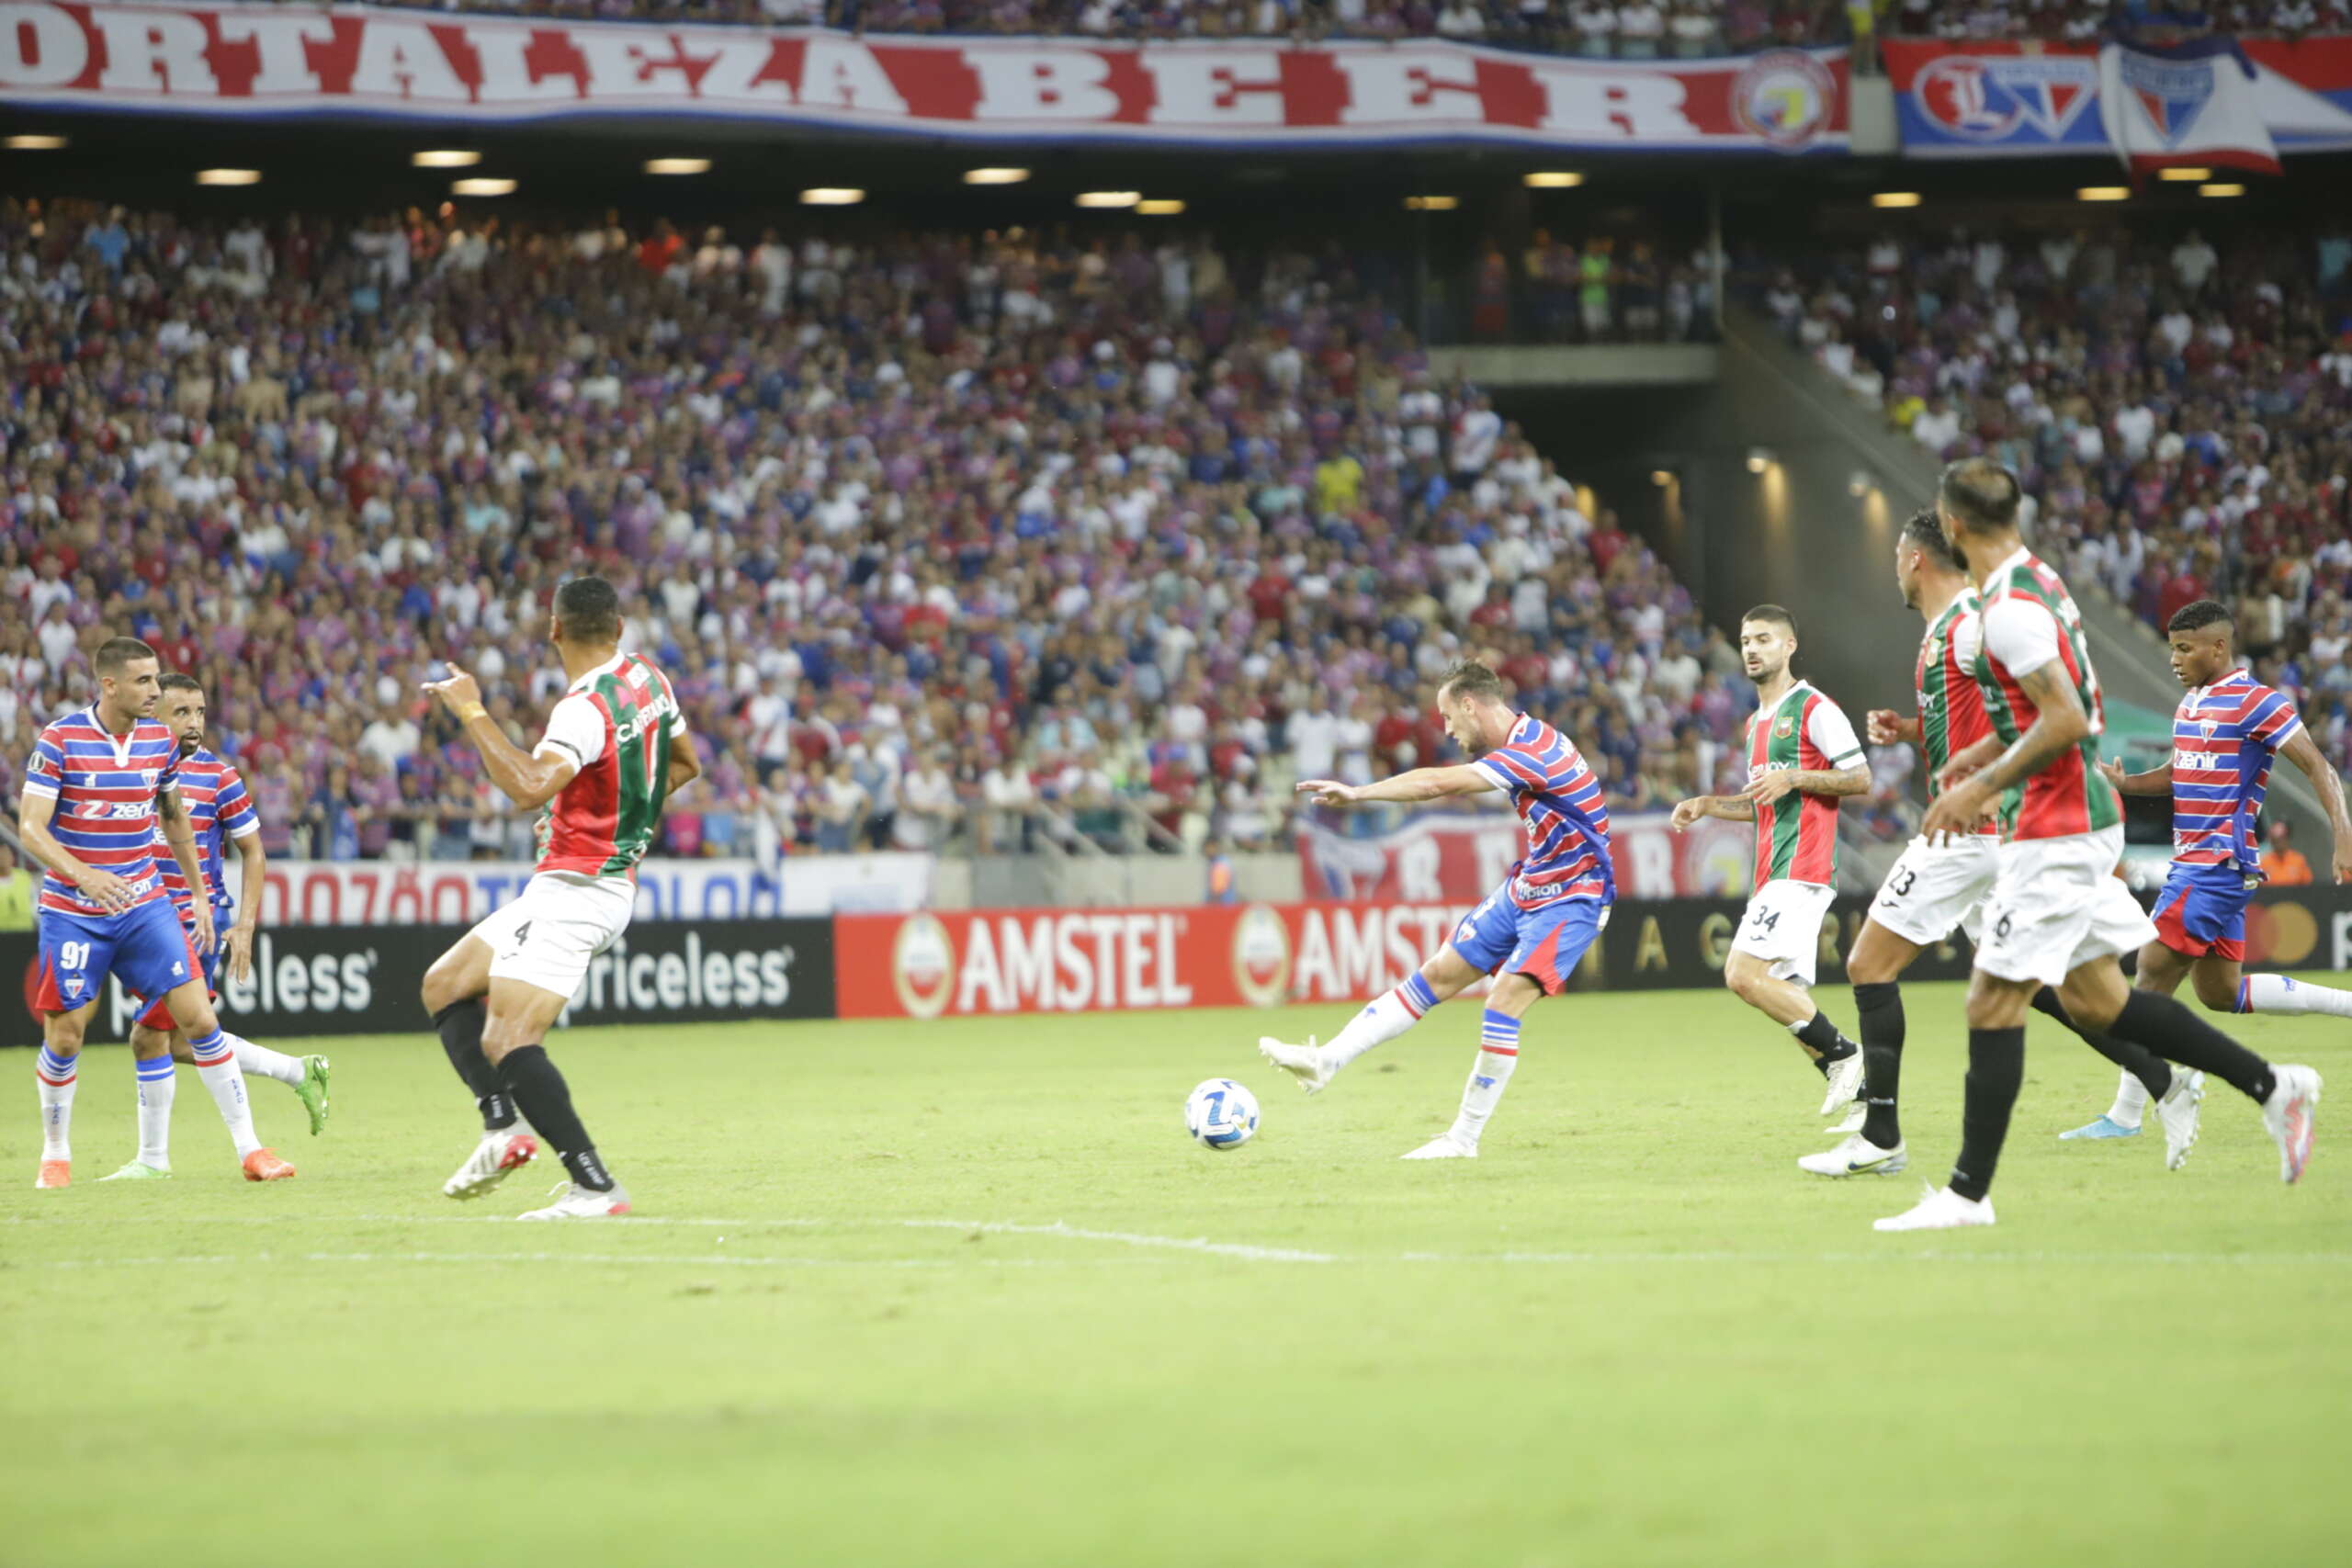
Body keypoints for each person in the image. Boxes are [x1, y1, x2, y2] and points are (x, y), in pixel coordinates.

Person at [1881, 460, 2320, 1232]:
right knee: (2100, 1000)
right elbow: (2079, 702)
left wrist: (1979, 787)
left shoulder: (2008, 606)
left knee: (1991, 1000)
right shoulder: (2041, 582)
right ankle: (2273, 1085)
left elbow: (2068, 720)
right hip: (2073, 816)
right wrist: (1979, 758)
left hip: (2053, 825)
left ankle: (1966, 1195)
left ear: (1951, 526)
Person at [1804, 514, 2182, 1179]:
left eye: (1896, 553)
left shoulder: (1971, 624)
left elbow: (2037, 715)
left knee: (1868, 964)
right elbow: (1986, 723)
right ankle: (2162, 1075)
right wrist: (1912, 730)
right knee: (2033, 983)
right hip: (1988, 829)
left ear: (1916, 558)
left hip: (1971, 832)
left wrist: (1987, 786)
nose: (1894, 565)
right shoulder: (1945, 630)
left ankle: (1881, 1136)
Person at [418, 578, 698, 1220]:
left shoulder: (582, 708)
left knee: (508, 1037)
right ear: (619, 628)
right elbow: (683, 763)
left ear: (554, 630)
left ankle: (595, 1185)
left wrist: (471, 710)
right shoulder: (648, 678)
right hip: (578, 882)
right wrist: (624, 823)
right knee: (445, 984)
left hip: (579, 890)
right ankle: (501, 1128)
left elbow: (526, 787)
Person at [1259, 660, 1612, 1160]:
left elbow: (1435, 785)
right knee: (1437, 975)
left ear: (1470, 705)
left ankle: (1462, 1140)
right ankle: (1327, 1060)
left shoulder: (1532, 752)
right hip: (1532, 884)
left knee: (1502, 1000)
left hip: (1576, 895)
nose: (1446, 729)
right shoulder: (1530, 738)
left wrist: (1359, 792)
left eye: (1448, 716)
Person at [2063, 598, 2352, 1141]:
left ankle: (2126, 1116)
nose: (2175, 659)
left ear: (2219, 646)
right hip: (2201, 864)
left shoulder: (2257, 702)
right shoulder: (2191, 702)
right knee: (2220, 993)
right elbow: (2180, 772)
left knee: (2148, 977)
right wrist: (2127, 784)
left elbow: (2318, 764)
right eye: (2173, 647)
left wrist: (2344, 836)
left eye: (2185, 648)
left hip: (2214, 863)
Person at [18, 637, 292, 1188]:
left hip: (145, 903)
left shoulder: (158, 744)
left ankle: (251, 1150)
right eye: (144, 681)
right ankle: (55, 1152)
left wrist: (194, 892)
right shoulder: (61, 740)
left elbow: (173, 818)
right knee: (67, 1036)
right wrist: (86, 876)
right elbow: (30, 828)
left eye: (156, 679)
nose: (154, 690)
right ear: (110, 685)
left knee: (200, 1020)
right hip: (74, 909)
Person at [106, 673, 331, 1181]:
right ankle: (299, 1071)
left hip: (193, 923)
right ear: (152, 716)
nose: (194, 723)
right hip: (144, 922)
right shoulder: (133, 771)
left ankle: (166, 1160)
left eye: (200, 712)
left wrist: (245, 926)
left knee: (154, 1036)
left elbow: (253, 851)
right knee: (174, 1041)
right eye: (181, 712)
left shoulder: (218, 776)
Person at [1669, 606, 1871, 1120]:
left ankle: (1849, 1056)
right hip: (1770, 873)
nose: (1752, 649)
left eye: (1763, 639)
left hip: (1801, 868)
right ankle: (1867, 1109)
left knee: (1742, 976)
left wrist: (1798, 777)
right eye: (1745, 641)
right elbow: (1764, 801)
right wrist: (1710, 805)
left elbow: (1860, 777)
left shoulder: (1813, 708)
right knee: (1781, 999)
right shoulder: (1755, 723)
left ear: (1789, 647)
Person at [2260, 820, 2314, 886]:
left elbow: (2308, 884)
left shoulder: (2298, 860)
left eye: (2281, 838)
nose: (2278, 843)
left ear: (2287, 838)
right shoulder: (2264, 862)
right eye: (2275, 839)